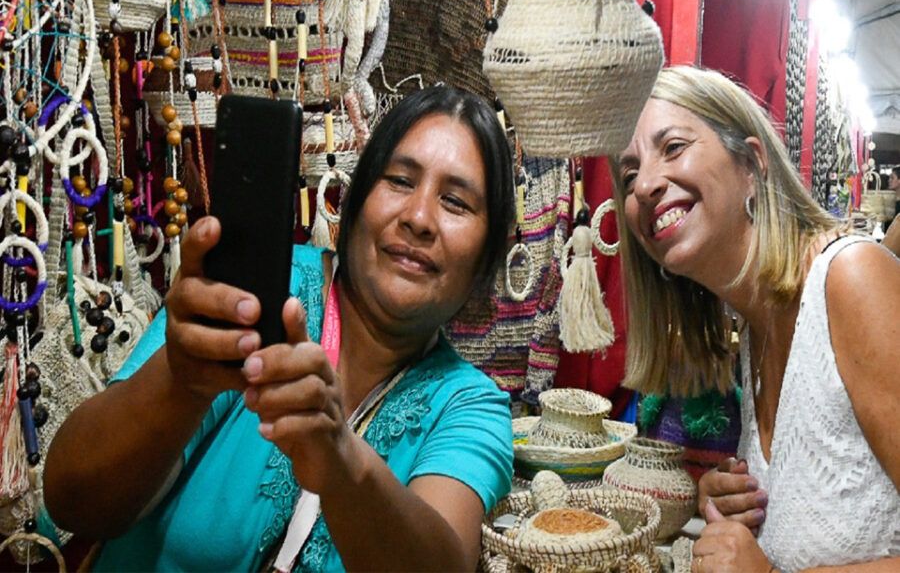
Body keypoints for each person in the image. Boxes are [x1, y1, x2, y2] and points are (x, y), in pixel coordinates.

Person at [43, 85, 516, 572]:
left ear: (487, 253)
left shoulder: (469, 406)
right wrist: (180, 383)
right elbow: (72, 501)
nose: (418, 218)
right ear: (356, 197)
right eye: (399, 180)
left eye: (455, 202)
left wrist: (343, 463)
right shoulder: (261, 291)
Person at [611, 66, 900, 573]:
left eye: (673, 147)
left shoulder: (851, 279)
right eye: (630, 175)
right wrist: (738, 502)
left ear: (751, 162)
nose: (646, 185)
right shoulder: (755, 325)